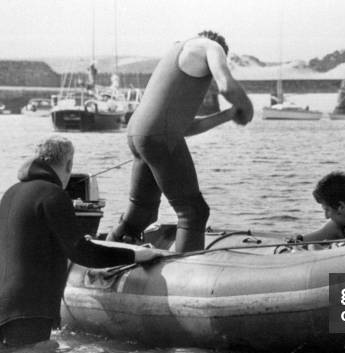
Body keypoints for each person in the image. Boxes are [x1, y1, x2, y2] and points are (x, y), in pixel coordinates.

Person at [0, 136, 165, 347]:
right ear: (69, 163)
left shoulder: (11, 192)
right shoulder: (53, 194)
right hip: (29, 311)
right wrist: (134, 255)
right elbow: (82, 253)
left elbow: (31, 241)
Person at [107, 30, 254, 252]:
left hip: (138, 132)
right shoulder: (211, 47)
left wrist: (229, 114)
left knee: (142, 211)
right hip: (158, 135)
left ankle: (106, 254)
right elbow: (227, 85)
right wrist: (247, 109)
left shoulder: (178, 52)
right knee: (193, 212)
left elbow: (183, 127)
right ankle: (187, 274)